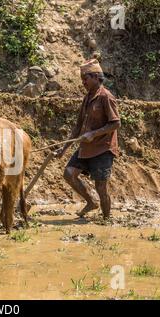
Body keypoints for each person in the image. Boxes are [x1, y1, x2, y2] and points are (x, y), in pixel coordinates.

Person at [56, 59, 121, 220]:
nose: (83, 82)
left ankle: (106, 220)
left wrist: (94, 134)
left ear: (96, 77)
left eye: (85, 78)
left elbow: (116, 123)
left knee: (101, 187)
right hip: (86, 147)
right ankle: (91, 202)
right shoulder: (87, 98)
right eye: (82, 79)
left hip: (102, 148)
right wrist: (63, 149)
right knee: (69, 173)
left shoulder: (106, 97)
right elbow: (77, 127)